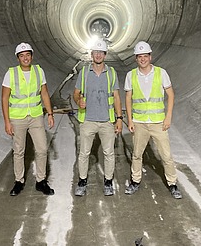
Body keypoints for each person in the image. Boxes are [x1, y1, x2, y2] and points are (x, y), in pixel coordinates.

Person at [124, 41, 182, 199]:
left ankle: (172, 183)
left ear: (150, 56)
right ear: (136, 58)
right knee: (137, 154)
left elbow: (170, 94)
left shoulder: (161, 73)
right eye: (140, 56)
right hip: (139, 122)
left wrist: (168, 116)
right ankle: (135, 181)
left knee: (166, 156)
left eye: (145, 56)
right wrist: (130, 120)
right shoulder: (131, 76)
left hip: (158, 122)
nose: (143, 59)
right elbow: (128, 99)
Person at [1, 42, 55, 196]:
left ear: (32, 56)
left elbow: (44, 93)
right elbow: (4, 98)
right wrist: (7, 122)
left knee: (42, 149)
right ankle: (19, 181)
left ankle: (41, 181)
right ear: (18, 58)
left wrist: (50, 113)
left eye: (28, 55)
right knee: (18, 151)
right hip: (18, 119)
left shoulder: (39, 71)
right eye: (22, 56)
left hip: (36, 116)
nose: (25, 58)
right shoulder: (10, 74)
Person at [73, 39, 123, 196]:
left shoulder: (111, 73)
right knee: (84, 153)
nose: (98, 55)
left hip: (106, 121)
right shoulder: (84, 73)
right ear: (91, 54)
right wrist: (78, 101)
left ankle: (108, 182)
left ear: (105, 55)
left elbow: (116, 97)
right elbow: (76, 94)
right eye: (96, 52)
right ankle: (82, 182)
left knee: (109, 153)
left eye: (101, 52)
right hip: (88, 120)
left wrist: (119, 118)